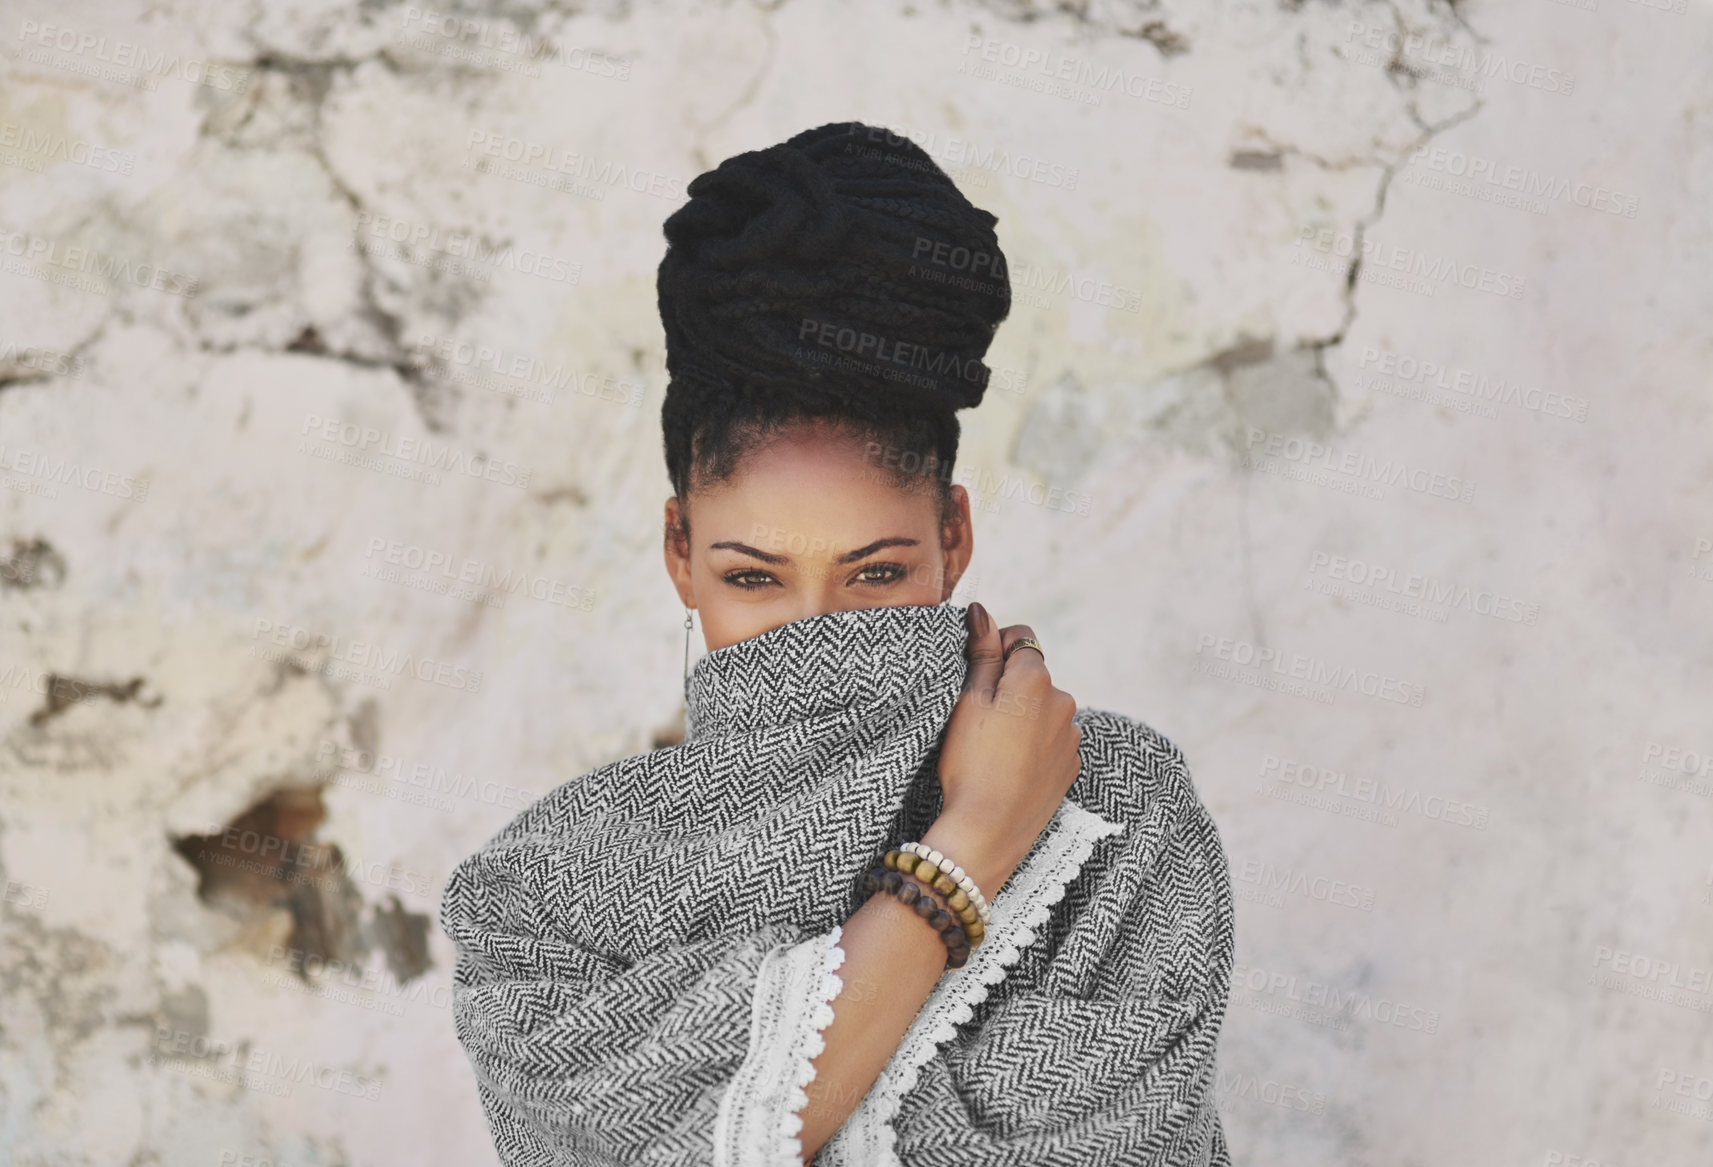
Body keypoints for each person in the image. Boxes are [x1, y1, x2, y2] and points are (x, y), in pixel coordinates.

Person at [441, 120, 1234, 1166]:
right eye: (753, 578)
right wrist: (975, 843)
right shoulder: (545, 895)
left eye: (875, 574)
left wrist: (729, 1077)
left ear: (953, 537)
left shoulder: (1118, 808)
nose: (816, 640)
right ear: (679, 551)